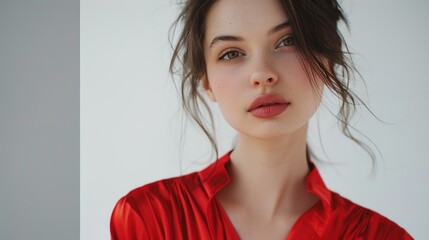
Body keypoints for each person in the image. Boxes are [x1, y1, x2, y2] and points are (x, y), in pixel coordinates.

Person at [110, 0, 413, 239]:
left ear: (328, 61)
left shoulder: (380, 237)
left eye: (288, 41)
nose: (262, 74)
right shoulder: (148, 219)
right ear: (206, 82)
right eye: (231, 54)